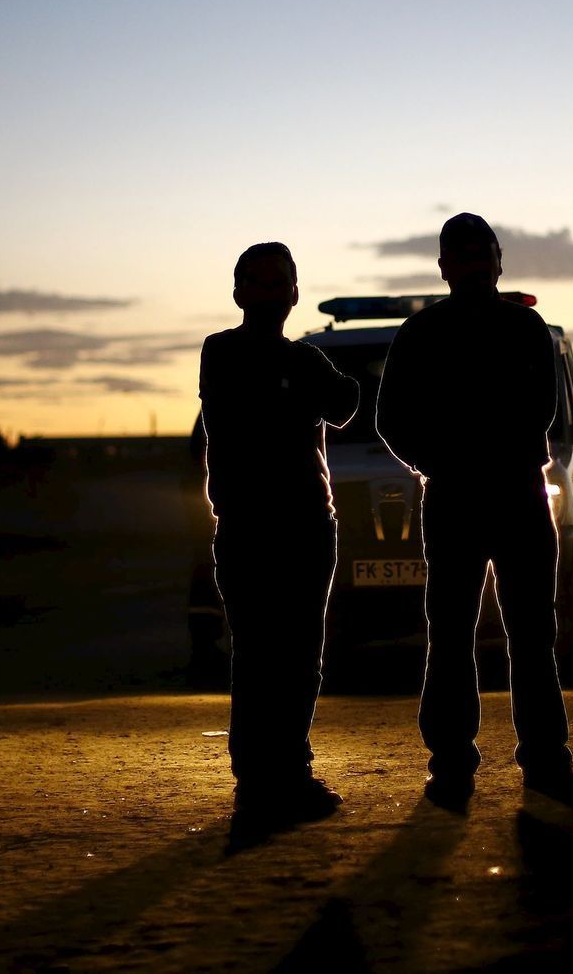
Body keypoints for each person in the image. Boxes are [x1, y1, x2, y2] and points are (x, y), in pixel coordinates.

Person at [376, 213, 573, 807]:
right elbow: (391, 420)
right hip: (457, 499)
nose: (474, 266)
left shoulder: (526, 328)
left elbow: (541, 410)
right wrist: (438, 465)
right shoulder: (420, 334)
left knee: (531, 634)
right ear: (445, 267)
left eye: (482, 254)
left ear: (498, 261)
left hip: (515, 495)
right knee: (451, 634)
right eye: (462, 256)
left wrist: (451, 459)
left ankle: (544, 762)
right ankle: (452, 765)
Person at [199, 242, 360, 823]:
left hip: (309, 526)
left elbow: (344, 402)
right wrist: (303, 383)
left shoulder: (303, 362)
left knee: (299, 657)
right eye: (262, 284)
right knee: (260, 654)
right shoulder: (222, 352)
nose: (274, 294)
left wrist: (304, 381)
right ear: (240, 293)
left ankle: (288, 773)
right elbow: (328, 397)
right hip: (249, 528)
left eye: (282, 283)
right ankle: (259, 779)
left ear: (295, 292)